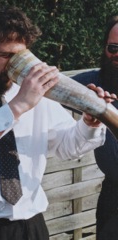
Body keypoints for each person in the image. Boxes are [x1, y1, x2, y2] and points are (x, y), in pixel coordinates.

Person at [0, 6, 114, 240]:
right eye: (6, 56)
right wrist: (18, 105)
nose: (15, 65)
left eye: (21, 55)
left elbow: (69, 147)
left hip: (29, 227)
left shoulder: (36, 89)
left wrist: (90, 122)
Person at [72, 15, 118, 240]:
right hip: (113, 194)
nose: (117, 53)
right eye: (113, 47)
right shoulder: (92, 84)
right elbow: (46, 87)